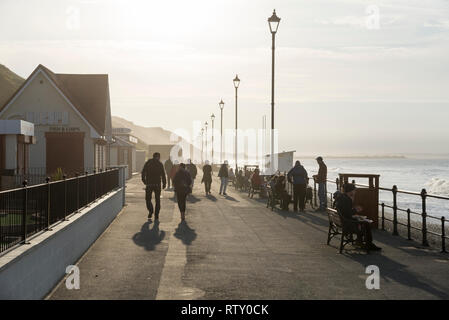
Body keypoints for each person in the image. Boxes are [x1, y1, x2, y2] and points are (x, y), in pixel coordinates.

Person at [334, 183, 381, 251]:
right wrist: (356, 210)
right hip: (347, 224)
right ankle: (368, 244)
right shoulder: (346, 200)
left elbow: (346, 212)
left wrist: (356, 215)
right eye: (354, 190)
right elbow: (348, 214)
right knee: (366, 224)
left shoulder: (341, 198)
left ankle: (360, 241)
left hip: (342, 222)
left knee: (363, 221)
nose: (355, 192)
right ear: (350, 191)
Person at [141, 152, 166, 221]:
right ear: (158, 157)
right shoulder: (160, 164)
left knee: (148, 199)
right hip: (157, 184)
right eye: (159, 157)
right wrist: (164, 183)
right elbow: (163, 174)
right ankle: (156, 215)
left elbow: (143, 171)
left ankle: (151, 211)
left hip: (149, 184)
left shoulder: (148, 163)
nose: (159, 158)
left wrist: (144, 180)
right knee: (157, 200)